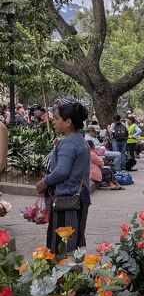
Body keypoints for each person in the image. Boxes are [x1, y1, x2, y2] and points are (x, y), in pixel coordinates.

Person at [35, 101, 90, 254]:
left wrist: (43, 183)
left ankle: (62, 276)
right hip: (78, 197)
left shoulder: (68, 143)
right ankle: (74, 274)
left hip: (67, 199)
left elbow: (61, 171)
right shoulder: (79, 140)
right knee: (75, 239)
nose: (53, 121)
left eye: (57, 118)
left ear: (68, 122)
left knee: (62, 244)